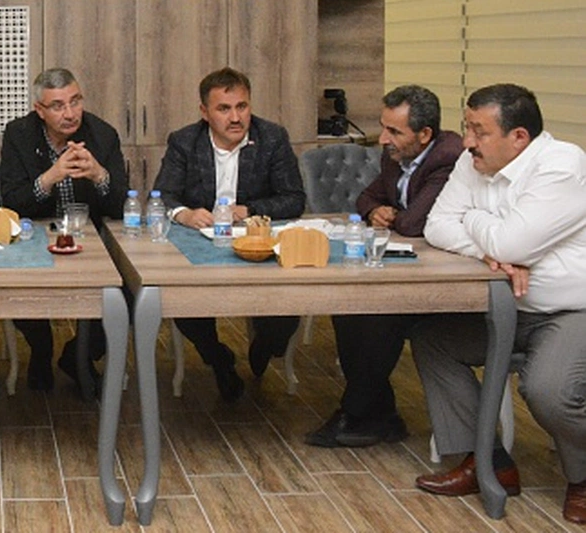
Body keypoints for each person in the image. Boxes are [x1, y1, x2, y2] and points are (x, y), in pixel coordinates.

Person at [411, 84, 586, 525]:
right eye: (467, 128)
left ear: (519, 138)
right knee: (434, 341)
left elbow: (510, 242)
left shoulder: (562, 165)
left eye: (479, 131)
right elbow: (436, 225)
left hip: (570, 310)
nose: (466, 141)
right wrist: (493, 252)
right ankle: (489, 462)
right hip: (507, 310)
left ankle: (583, 477)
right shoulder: (474, 161)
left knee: (549, 391)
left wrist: (476, 221)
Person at [306, 85, 463, 448]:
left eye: (394, 131)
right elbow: (366, 197)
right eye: (383, 127)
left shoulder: (447, 159)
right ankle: (378, 413)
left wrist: (393, 216)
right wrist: (375, 210)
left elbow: (413, 223)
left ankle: (357, 411)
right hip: (410, 267)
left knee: (377, 314)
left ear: (425, 134)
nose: (382, 139)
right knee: (347, 306)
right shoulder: (396, 155)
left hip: (446, 281)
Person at [154, 67, 305, 402]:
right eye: (224, 109)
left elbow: (294, 198)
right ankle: (218, 359)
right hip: (200, 245)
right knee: (183, 300)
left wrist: (248, 210)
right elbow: (162, 195)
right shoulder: (185, 141)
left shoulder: (272, 138)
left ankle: (264, 346)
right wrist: (185, 214)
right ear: (204, 112)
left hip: (258, 247)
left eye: (242, 107)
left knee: (286, 311)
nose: (235, 118)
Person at [0, 68, 127, 392]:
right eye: (57, 106)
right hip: (34, 237)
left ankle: (77, 356)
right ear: (39, 110)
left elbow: (122, 207)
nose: (70, 114)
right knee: (15, 285)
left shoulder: (103, 135)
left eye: (75, 101)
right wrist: (49, 178)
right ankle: (41, 347)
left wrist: (99, 175)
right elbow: (11, 201)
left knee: (126, 291)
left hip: (90, 240)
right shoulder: (19, 134)